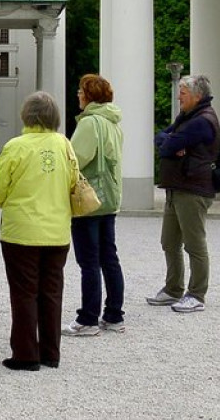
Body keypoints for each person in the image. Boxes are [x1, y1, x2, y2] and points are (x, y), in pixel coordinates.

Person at [0, 91, 78, 372]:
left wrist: (3, 200)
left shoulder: (16, 146)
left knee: (24, 292)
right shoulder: (64, 144)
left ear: (26, 116)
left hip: (22, 231)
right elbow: (74, 180)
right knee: (52, 291)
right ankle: (51, 352)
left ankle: (26, 353)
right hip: (57, 230)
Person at [149, 73, 220, 314]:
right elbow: (160, 138)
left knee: (194, 244)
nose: (178, 95)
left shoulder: (202, 120)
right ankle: (173, 289)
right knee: (169, 241)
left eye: (183, 91)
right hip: (177, 188)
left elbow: (167, 144)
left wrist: (171, 144)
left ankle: (197, 294)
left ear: (197, 95)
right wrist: (170, 143)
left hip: (193, 189)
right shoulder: (187, 117)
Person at [64, 74, 125, 336]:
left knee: (88, 261)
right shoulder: (113, 122)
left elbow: (76, 159)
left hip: (90, 200)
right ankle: (114, 314)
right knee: (109, 258)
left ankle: (88, 318)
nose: (78, 94)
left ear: (89, 95)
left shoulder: (90, 123)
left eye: (81, 91)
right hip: (110, 198)